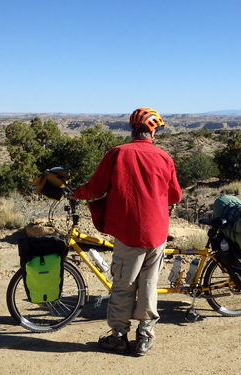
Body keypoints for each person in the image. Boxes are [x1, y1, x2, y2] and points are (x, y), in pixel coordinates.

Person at [72, 107, 182, 356]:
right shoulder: (164, 157)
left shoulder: (118, 153)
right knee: (149, 283)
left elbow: (95, 188)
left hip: (128, 232)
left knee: (124, 284)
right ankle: (145, 336)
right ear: (153, 132)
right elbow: (175, 195)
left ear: (132, 129)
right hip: (157, 233)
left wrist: (76, 193)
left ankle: (119, 337)